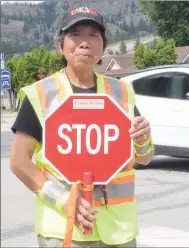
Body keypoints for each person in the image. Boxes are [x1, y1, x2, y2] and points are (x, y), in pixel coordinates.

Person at [10, 7, 154, 248]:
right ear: (60, 44)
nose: (84, 43)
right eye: (75, 34)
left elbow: (146, 157)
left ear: (103, 46)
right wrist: (65, 201)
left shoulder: (121, 92)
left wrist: (143, 139)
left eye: (93, 35)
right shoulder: (42, 94)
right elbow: (18, 161)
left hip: (119, 231)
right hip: (64, 229)